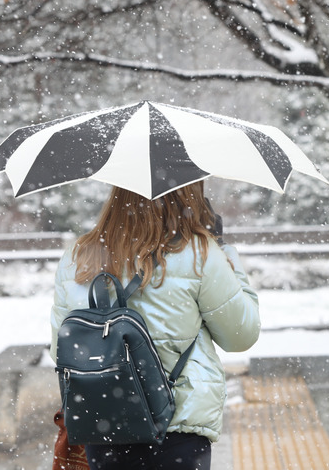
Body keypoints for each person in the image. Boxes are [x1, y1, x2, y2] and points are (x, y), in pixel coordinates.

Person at [49, 181, 261, 470]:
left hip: (105, 425)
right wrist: (225, 252)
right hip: (177, 427)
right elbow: (240, 335)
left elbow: (62, 349)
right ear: (188, 196)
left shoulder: (79, 255)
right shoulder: (199, 253)